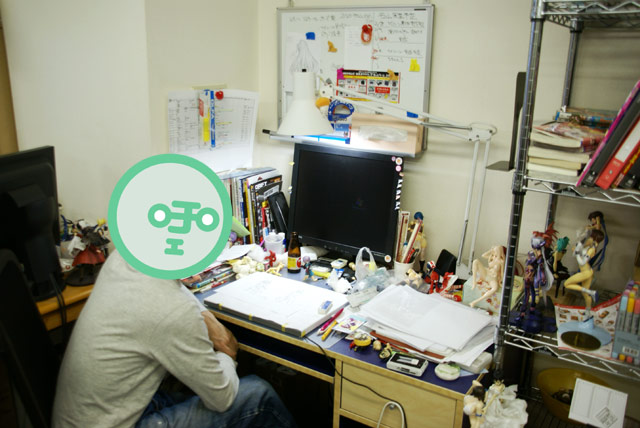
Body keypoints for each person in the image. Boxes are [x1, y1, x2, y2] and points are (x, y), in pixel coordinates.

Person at [52, 250, 297, 428]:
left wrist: (206, 317)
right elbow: (222, 398)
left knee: (188, 390)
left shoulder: (123, 258)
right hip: (122, 423)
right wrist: (226, 353)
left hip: (91, 416)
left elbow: (173, 291)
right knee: (258, 394)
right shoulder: (174, 312)